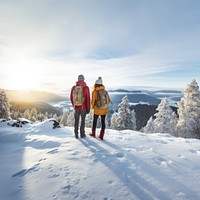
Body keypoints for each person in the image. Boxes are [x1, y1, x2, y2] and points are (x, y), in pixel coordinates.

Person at [70, 74, 90, 139]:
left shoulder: (74, 87)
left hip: (76, 108)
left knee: (76, 121)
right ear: (83, 79)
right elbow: (88, 98)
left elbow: (71, 98)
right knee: (83, 121)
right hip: (83, 108)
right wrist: (88, 108)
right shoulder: (86, 88)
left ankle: (76, 134)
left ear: (78, 79)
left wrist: (74, 105)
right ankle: (82, 134)